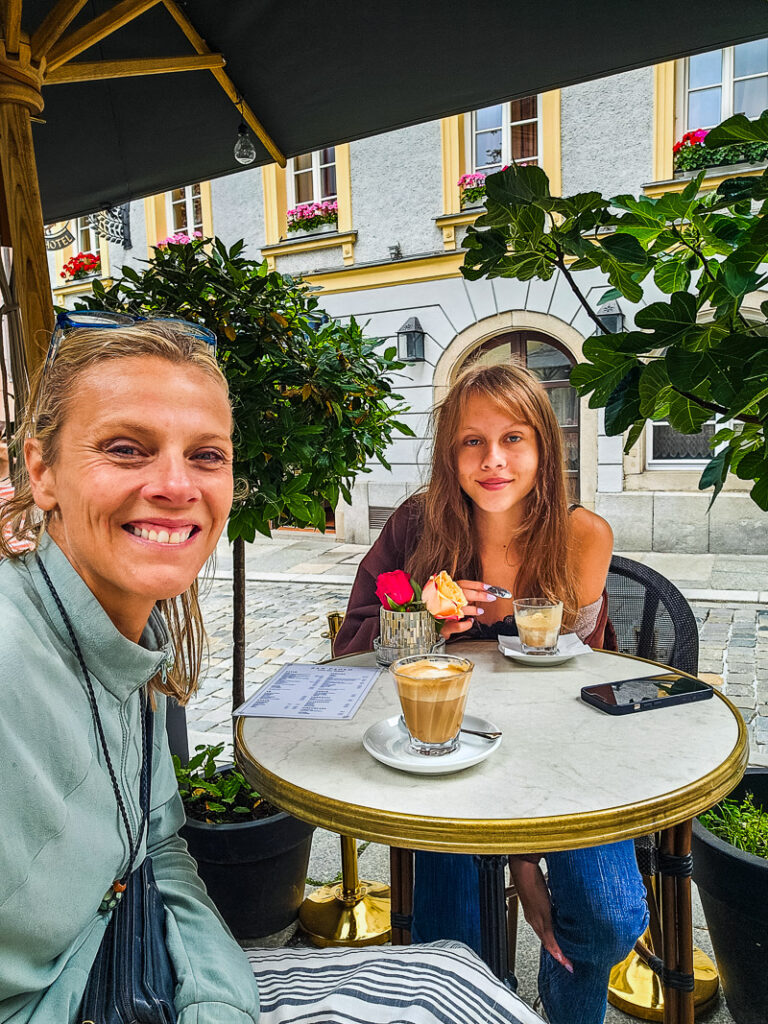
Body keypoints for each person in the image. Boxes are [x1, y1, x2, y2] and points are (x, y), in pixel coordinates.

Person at [0, 320, 547, 1024]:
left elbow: (156, 847)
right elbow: (360, 636)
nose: (173, 484)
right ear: (40, 471)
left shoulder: (135, 645)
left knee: (451, 974)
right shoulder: (417, 525)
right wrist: (426, 618)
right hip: (95, 991)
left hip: (140, 966)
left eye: (205, 455)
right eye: (125, 449)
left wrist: (216, 1002)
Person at [334, 362, 649, 1024]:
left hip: (565, 754)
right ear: (450, 454)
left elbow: (583, 672)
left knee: (608, 916)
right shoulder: (417, 528)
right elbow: (352, 655)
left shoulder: (581, 536)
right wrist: (421, 619)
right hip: (443, 755)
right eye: (471, 441)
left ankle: (563, 1002)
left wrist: (528, 858)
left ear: (544, 446)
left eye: (514, 438)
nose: (493, 460)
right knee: (453, 936)